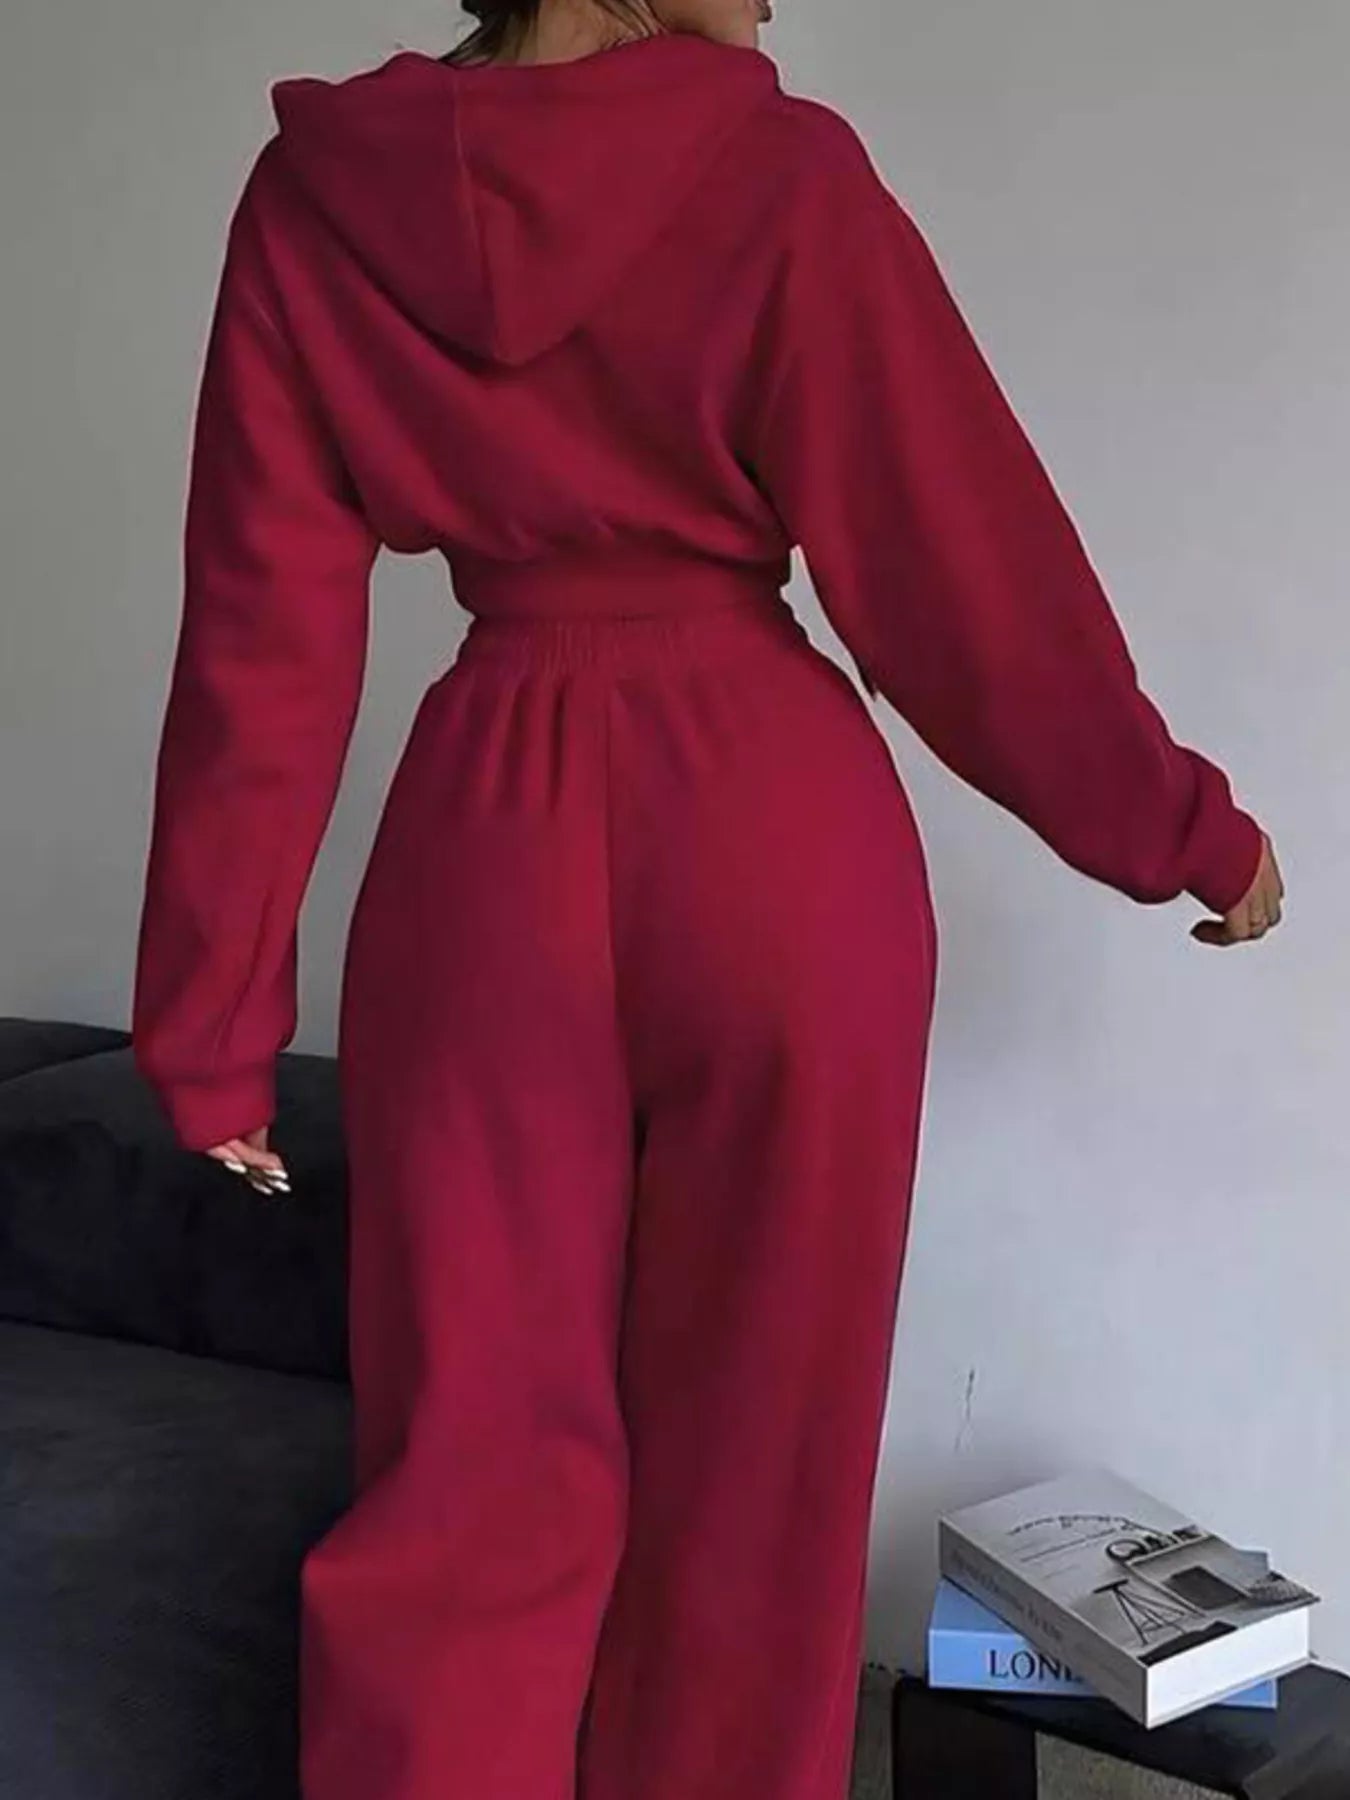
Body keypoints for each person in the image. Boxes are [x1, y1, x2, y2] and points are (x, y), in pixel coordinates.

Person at [129, 1, 1284, 1795]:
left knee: (466, 1454)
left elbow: (258, 637)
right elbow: (956, 568)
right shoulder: (778, 172)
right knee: (762, 1462)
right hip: (770, 834)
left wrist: (211, 1030)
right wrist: (1175, 825)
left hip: (482, 849)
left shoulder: (313, 196)